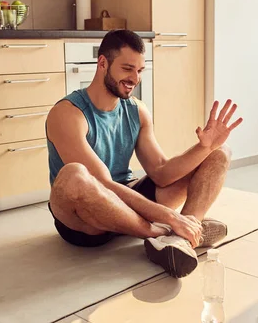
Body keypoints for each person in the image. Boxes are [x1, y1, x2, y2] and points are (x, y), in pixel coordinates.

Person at [45, 29, 243, 278]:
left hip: (128, 199)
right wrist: (170, 218)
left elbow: (161, 172)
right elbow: (103, 184)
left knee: (219, 152)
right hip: (85, 218)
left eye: (140, 71)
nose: (134, 79)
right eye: (127, 69)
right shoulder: (68, 113)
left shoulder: (137, 110)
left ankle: (185, 232)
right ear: (102, 63)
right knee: (75, 175)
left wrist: (205, 147)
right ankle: (164, 234)